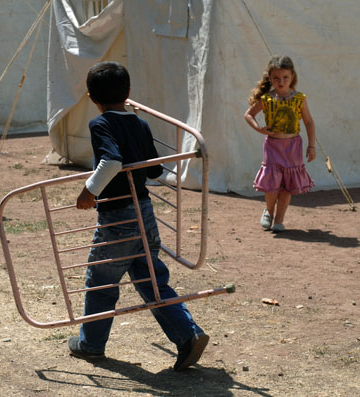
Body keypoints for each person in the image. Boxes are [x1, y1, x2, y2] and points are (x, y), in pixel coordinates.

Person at [69, 61, 208, 371]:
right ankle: (188, 334)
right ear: (129, 92)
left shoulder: (100, 125)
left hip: (117, 216)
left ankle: (90, 344)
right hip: (144, 212)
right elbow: (155, 169)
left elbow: (112, 161)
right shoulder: (140, 125)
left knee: (101, 280)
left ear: (92, 98)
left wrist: (89, 191)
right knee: (151, 280)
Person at [244, 55, 316, 232]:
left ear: (292, 77)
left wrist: (311, 145)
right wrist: (259, 129)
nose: (281, 82)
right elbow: (248, 114)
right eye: (276, 78)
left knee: (287, 185)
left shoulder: (299, 98)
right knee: (272, 182)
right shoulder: (267, 99)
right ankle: (268, 211)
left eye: (285, 77)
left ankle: (279, 219)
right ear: (270, 78)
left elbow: (308, 122)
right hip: (273, 146)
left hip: (293, 147)